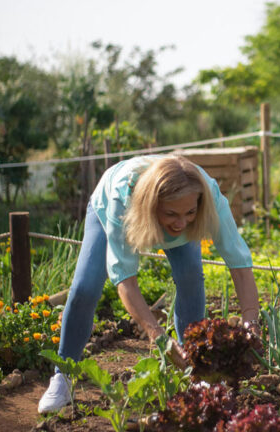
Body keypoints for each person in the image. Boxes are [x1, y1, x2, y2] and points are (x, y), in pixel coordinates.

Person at [38, 155, 260, 413]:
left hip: (170, 212)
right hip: (112, 207)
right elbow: (125, 279)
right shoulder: (122, 200)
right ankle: (62, 376)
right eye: (172, 213)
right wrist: (159, 338)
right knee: (85, 289)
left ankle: (195, 372)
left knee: (191, 279)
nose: (181, 222)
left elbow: (240, 265)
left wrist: (251, 322)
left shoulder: (207, 196)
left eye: (190, 212)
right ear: (154, 205)